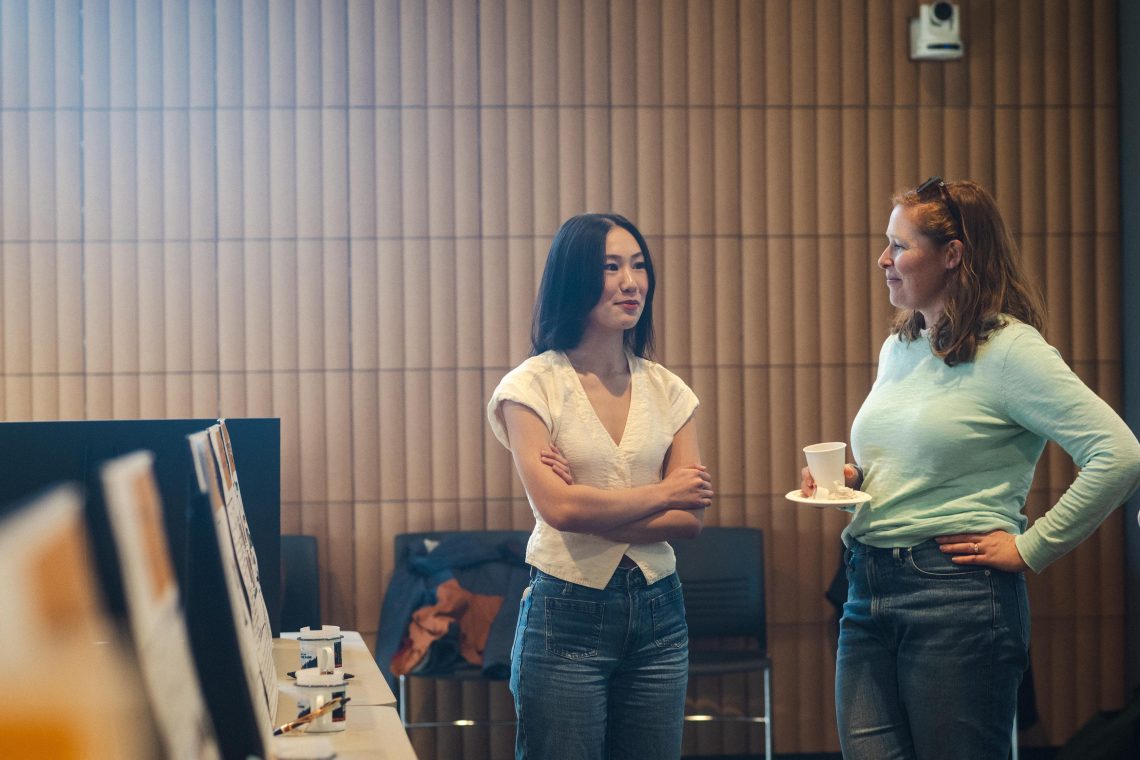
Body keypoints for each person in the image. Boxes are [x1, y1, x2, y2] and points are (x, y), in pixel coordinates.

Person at [801, 177, 1140, 759]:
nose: (883, 259)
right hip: (867, 586)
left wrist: (1032, 547)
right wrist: (853, 482)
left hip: (954, 596)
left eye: (900, 246)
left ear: (952, 254)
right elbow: (916, 460)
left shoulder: (1011, 349)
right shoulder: (902, 346)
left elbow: (1119, 454)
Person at [487, 212, 713, 760]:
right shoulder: (531, 386)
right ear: (575, 278)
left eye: (638, 266)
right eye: (610, 267)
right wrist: (663, 492)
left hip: (661, 612)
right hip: (565, 610)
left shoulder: (668, 390)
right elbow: (559, 507)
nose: (630, 282)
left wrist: (594, 504)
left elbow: (691, 520)